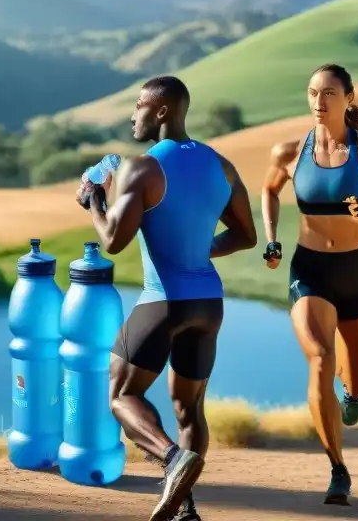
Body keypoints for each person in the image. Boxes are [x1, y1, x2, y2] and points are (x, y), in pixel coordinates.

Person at [76, 75, 257, 521]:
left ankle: (173, 458)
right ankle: (185, 509)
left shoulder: (143, 167)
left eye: (139, 104)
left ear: (161, 112)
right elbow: (246, 236)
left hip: (164, 300)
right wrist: (198, 247)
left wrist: (95, 201)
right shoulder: (222, 166)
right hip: (208, 304)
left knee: (119, 393)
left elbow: (114, 241)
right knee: (189, 407)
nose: (133, 113)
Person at [260, 63, 358, 506]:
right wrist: (272, 240)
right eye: (311, 93)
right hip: (310, 272)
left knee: (357, 380)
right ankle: (338, 470)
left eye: (327, 93)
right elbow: (268, 190)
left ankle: (353, 394)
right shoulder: (288, 151)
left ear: (348, 97)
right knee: (321, 360)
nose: (318, 102)